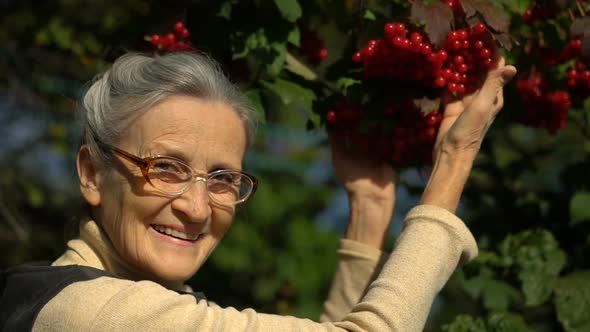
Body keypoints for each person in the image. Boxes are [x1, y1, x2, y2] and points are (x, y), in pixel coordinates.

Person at [0, 51, 516, 331]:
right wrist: (452, 164)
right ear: (92, 174)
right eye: (166, 168)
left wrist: (369, 207)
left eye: (223, 178)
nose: (197, 207)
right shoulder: (91, 314)